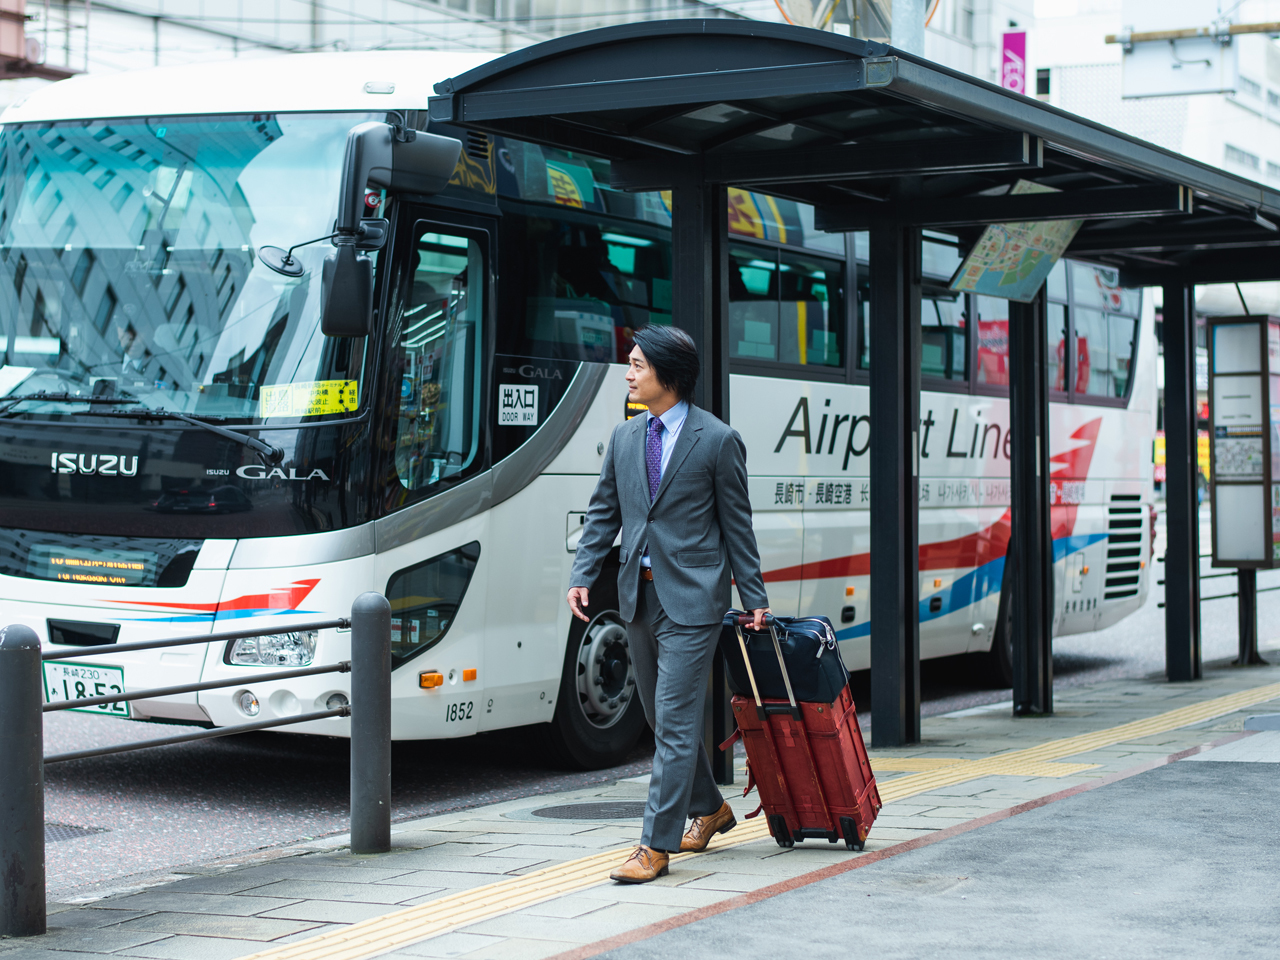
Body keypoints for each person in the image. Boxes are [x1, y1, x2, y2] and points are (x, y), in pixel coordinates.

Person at [567, 324, 770, 884]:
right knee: (660, 718)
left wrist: (753, 598)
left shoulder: (718, 440)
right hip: (638, 595)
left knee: (676, 722)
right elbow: (604, 513)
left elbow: (738, 527)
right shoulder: (626, 437)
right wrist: (584, 574)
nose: (628, 373)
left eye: (637, 365)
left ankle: (653, 846)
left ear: (667, 374)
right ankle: (709, 808)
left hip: (694, 599)